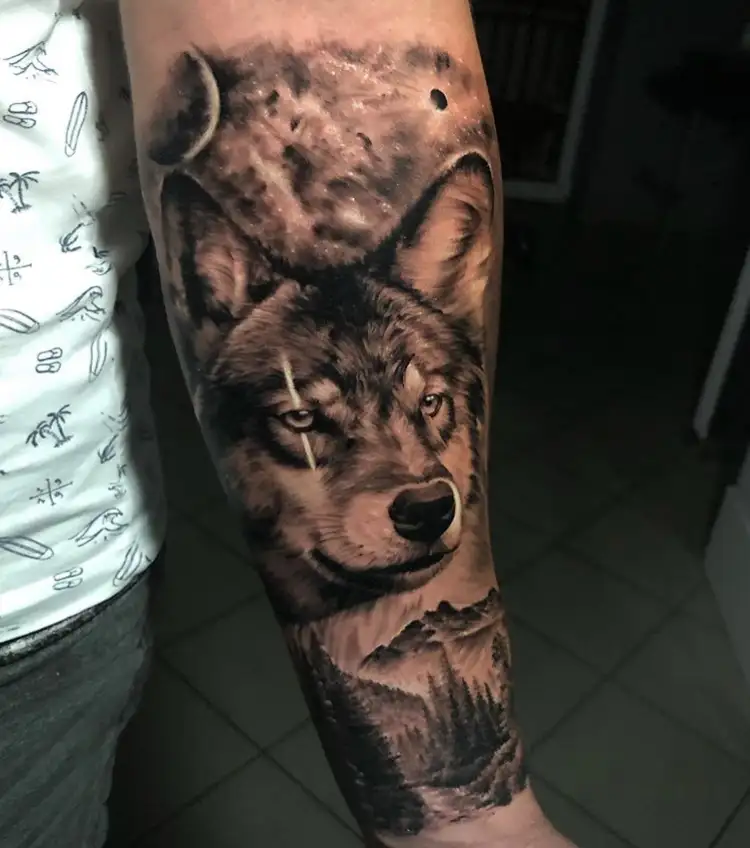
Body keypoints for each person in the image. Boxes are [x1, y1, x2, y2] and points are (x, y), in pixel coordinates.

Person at [0, 1, 577, 846]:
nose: (419, 481)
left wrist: (468, 818)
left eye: (428, 405)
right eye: (309, 419)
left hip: (30, 598)